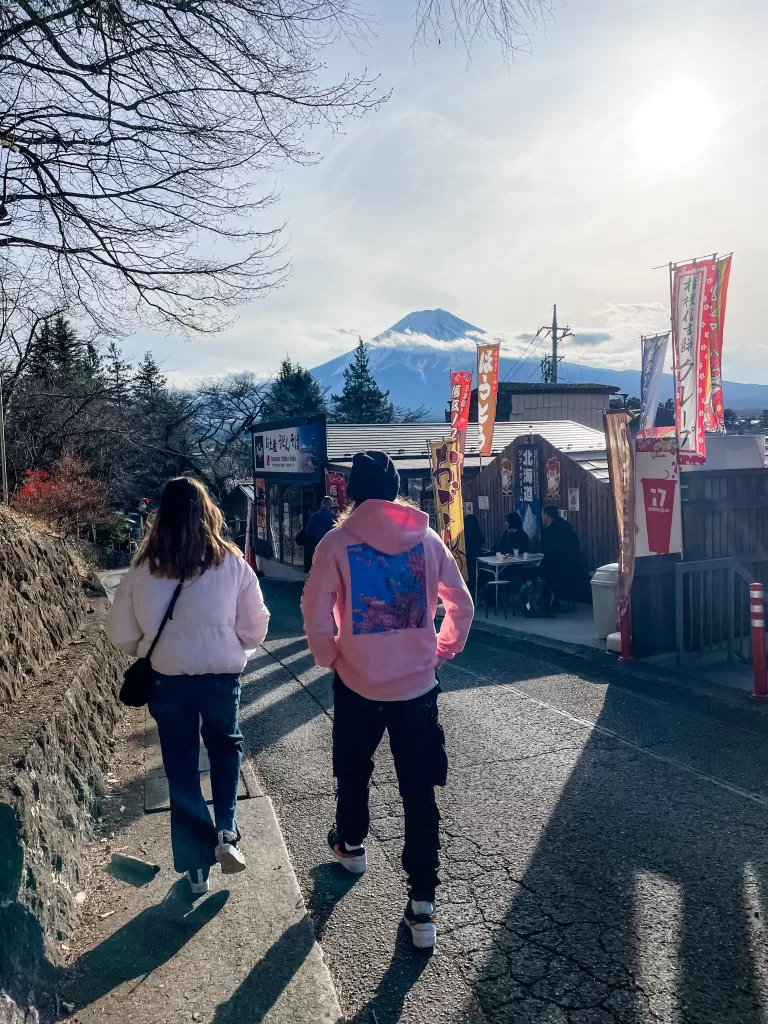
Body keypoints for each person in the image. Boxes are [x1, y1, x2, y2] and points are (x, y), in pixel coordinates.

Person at [301, 450, 474, 951]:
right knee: (419, 794)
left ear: (351, 492)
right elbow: (459, 604)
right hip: (418, 689)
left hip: (357, 684)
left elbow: (315, 612)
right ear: (397, 488)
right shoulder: (427, 539)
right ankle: (423, 906)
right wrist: (441, 650)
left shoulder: (335, 543)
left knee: (353, 769)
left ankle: (351, 846)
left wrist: (330, 656)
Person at [107, 476, 270, 897]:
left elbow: (122, 635)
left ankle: (197, 869)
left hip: (167, 680)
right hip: (220, 677)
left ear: (162, 516)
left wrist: (152, 646)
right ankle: (227, 831)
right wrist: (228, 643)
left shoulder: (142, 569)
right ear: (206, 512)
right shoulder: (231, 561)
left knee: (180, 764)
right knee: (224, 746)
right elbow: (256, 629)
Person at [539, 504, 591, 603]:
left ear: (546, 515)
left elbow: (548, 552)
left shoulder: (549, 531)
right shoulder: (565, 525)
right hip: (572, 563)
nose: (541, 516)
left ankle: (544, 600)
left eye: (542, 514)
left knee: (539, 572)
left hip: (557, 565)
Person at [297, 496, 338, 572]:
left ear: (321, 503)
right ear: (331, 505)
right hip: (328, 548)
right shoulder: (334, 517)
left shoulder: (314, 516)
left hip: (315, 547)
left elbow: (307, 531)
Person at [463, 512, 485, 597]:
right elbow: (482, 540)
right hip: (478, 558)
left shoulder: (464, 534)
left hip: (467, 558)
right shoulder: (477, 532)